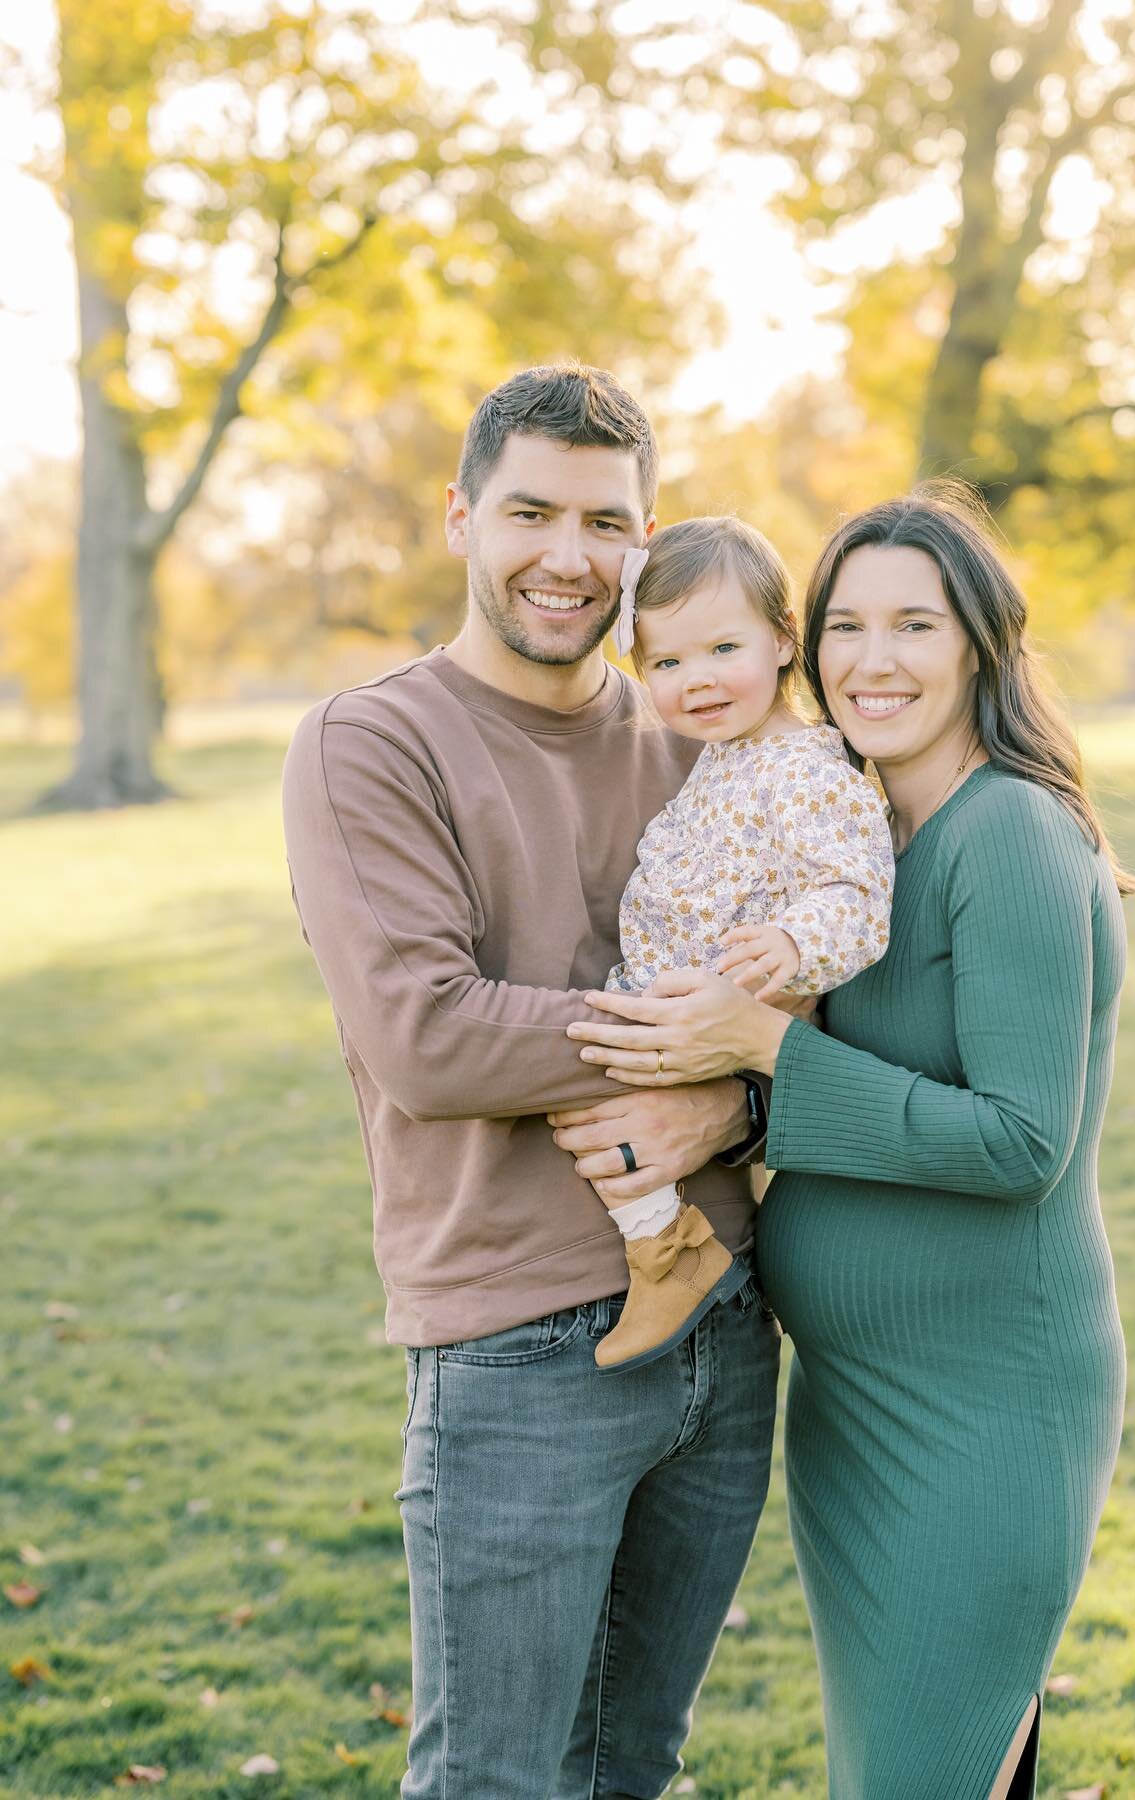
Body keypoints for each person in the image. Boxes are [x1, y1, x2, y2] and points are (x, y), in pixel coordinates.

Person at [567, 483, 1135, 1800]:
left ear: (982, 644)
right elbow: (860, 1079)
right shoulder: (863, 837)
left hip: (983, 1411)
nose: (873, 660)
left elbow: (1016, 1142)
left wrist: (762, 1051)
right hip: (856, 1414)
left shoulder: (1013, 838)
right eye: (848, 626)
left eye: (915, 626)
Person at [281, 363, 781, 1800]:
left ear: (647, 538)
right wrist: (709, 1041)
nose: (571, 557)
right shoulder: (372, 743)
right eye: (532, 513)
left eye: (608, 524)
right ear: (460, 518)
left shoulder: (698, 731)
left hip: (727, 1322)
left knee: (634, 1765)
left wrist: (742, 1092)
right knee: (494, 1781)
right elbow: (429, 1038)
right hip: (514, 1349)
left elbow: (802, 1003)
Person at [589, 515, 893, 1372]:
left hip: (724, 1017)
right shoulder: (725, 756)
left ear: (784, 639)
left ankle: (666, 1258)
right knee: (579, 1098)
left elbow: (855, 893)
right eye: (667, 663)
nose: (698, 680)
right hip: (672, 1002)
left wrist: (795, 945)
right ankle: (669, 1242)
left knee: (588, 1105)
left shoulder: (805, 768)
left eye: (724, 648)